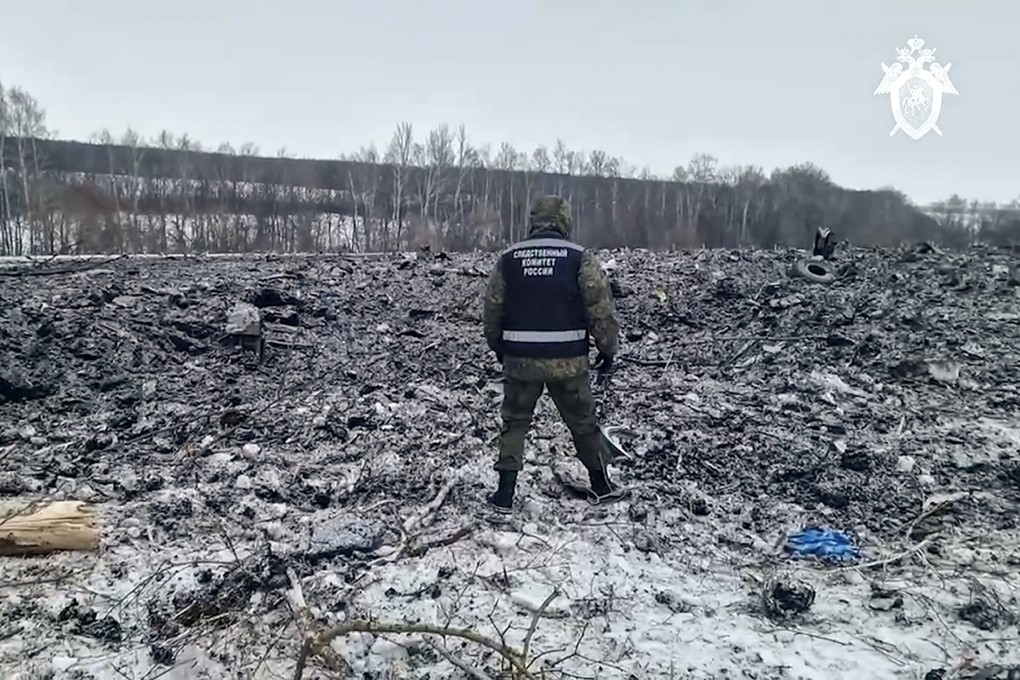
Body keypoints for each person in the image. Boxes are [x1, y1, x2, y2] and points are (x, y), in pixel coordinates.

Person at [481, 195, 625, 515]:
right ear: (563, 220)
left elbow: (493, 309)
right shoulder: (578, 257)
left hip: (520, 362)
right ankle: (601, 485)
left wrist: (498, 347)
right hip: (568, 362)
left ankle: (504, 494)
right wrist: (608, 350)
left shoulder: (509, 258)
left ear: (532, 221)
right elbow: (600, 309)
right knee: (584, 422)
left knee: (514, 424)